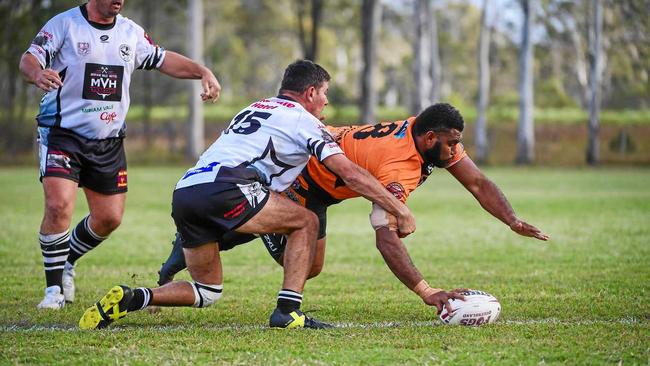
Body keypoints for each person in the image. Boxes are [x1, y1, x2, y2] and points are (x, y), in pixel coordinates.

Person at [78, 59, 420, 330]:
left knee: (207, 291)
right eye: (326, 92)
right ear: (311, 92)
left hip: (186, 190)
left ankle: (133, 297)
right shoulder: (304, 121)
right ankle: (288, 311)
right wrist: (398, 209)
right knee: (305, 221)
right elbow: (348, 172)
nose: (327, 100)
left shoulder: (255, 107)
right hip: (229, 187)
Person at [158, 103, 549, 315]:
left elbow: (478, 182)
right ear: (429, 137)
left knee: (310, 265)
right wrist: (426, 291)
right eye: (450, 145)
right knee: (302, 257)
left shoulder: (427, 133)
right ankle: (206, 239)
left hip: (326, 187)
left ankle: (203, 237)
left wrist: (511, 219)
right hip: (300, 180)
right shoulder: (399, 166)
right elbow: (384, 235)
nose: (454, 152)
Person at [19, 0, 222, 310]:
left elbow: (164, 59)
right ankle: (54, 291)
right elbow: (29, 59)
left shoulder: (130, 33)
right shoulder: (65, 25)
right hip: (63, 134)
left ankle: (68, 260)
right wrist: (37, 74)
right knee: (59, 205)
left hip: (108, 141)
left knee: (109, 219)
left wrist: (202, 71)